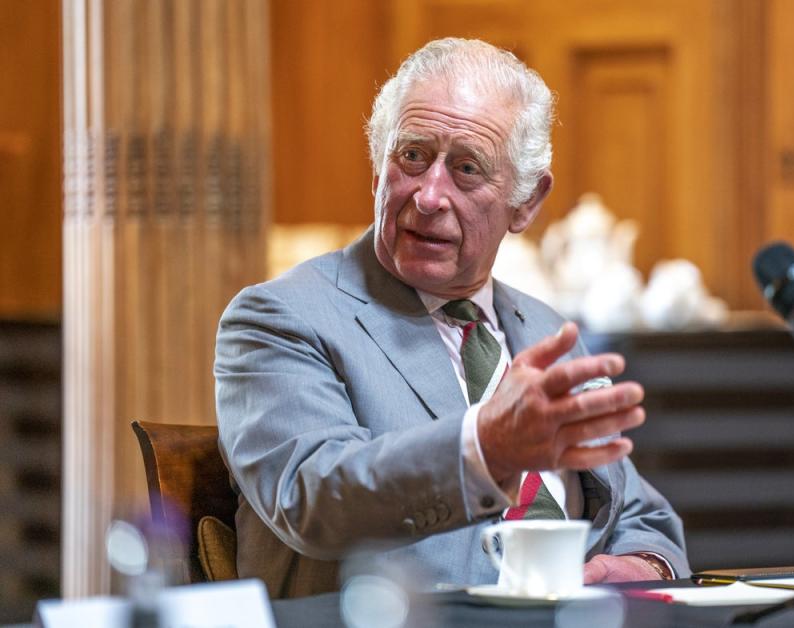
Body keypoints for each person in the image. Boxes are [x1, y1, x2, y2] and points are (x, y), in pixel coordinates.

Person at [215, 37, 689, 599]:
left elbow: (644, 517)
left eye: (467, 168)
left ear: (526, 203)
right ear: (377, 169)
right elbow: (313, 497)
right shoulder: (281, 317)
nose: (430, 196)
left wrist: (641, 565)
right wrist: (487, 448)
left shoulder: (543, 330)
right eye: (412, 156)